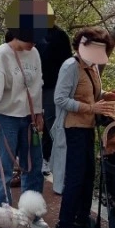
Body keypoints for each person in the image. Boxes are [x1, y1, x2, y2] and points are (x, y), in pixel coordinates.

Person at [51, 28, 115, 228]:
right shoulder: (70, 66)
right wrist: (91, 108)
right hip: (73, 128)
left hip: (87, 127)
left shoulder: (92, 67)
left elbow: (93, 95)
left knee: (88, 175)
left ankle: (80, 219)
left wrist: (107, 96)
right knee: (75, 178)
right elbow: (60, 98)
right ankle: (64, 227)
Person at [0, 27, 48, 228]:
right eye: (31, 40)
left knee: (34, 167)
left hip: (29, 117)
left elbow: (37, 85)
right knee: (4, 168)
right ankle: (4, 217)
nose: (33, 44)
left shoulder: (34, 53)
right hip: (5, 117)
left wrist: (39, 112)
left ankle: (31, 215)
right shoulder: (1, 54)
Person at [34, 23, 73, 175]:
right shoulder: (34, 34)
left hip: (55, 86)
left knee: (53, 123)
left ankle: (50, 158)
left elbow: (67, 61)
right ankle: (39, 158)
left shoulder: (60, 35)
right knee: (39, 122)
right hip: (37, 86)